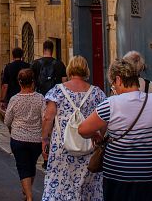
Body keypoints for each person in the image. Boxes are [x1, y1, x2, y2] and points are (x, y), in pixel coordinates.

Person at [79, 59, 152, 200]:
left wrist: (95, 135)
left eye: (113, 84)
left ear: (118, 80)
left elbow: (83, 129)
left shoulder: (112, 103)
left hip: (120, 177)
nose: (114, 88)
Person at [41, 55, 105, 201]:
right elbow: (104, 120)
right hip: (89, 146)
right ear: (86, 70)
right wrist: (100, 137)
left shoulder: (57, 91)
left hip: (62, 145)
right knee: (87, 187)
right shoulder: (97, 93)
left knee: (59, 185)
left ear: (69, 69)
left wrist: (44, 139)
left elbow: (48, 117)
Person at [4, 68, 44, 201]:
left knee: (23, 166)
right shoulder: (40, 98)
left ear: (19, 82)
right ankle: (27, 191)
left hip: (18, 138)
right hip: (36, 139)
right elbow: (45, 118)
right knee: (31, 165)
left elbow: (7, 121)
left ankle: (29, 196)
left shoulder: (14, 99)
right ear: (33, 81)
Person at [1, 47, 31, 112]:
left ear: (13, 56)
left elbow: (5, 85)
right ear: (22, 56)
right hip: (26, 97)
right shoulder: (28, 66)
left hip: (12, 97)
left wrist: (2, 100)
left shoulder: (8, 67)